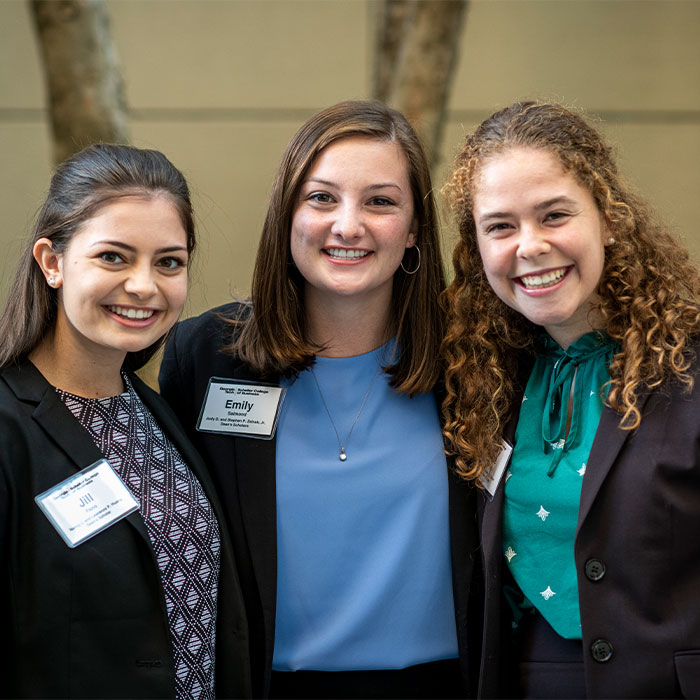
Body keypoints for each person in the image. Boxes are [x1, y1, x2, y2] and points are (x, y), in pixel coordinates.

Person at [159, 100, 479, 699]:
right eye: (322, 197)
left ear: (413, 230)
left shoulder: (470, 359)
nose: (348, 225)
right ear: (287, 215)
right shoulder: (207, 355)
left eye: (381, 201)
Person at [441, 100, 700, 699]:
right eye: (500, 226)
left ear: (609, 219)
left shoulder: (690, 368)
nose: (529, 246)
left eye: (554, 215)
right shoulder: (482, 378)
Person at [0, 144, 251, 699]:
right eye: (114, 256)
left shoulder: (157, 412)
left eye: (169, 262)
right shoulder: (7, 427)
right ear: (52, 262)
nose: (144, 286)